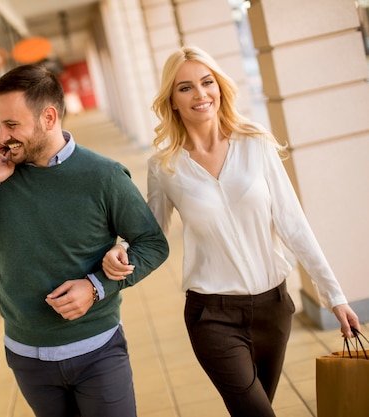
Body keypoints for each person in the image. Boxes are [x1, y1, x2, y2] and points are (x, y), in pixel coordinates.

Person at [102, 46, 360, 417]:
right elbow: (150, 232)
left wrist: (335, 296)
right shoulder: (165, 166)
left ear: (220, 87)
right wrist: (120, 249)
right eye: (185, 87)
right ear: (172, 101)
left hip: (274, 311)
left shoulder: (255, 144)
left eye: (207, 82)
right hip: (213, 316)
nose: (200, 94)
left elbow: (293, 224)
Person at [0, 63, 169, 417]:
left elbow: (152, 243)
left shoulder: (104, 175)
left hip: (98, 349)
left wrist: (95, 287)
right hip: (28, 358)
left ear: (48, 117)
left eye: (12, 124)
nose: (2, 134)